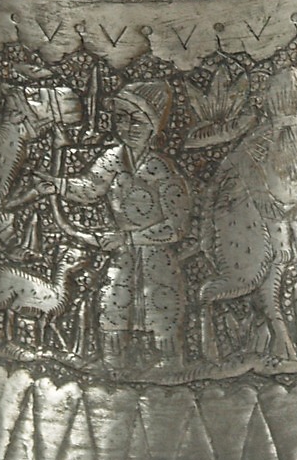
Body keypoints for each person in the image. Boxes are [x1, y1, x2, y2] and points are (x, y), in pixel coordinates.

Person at [50, 81, 191, 366]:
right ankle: (112, 365)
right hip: (123, 255)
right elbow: (90, 187)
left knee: (161, 310)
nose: (127, 127)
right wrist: (57, 185)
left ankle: (169, 368)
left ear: (154, 126)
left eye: (136, 120)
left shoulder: (161, 169)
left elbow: (176, 226)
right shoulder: (113, 158)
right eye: (120, 118)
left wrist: (128, 239)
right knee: (112, 305)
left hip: (156, 258)